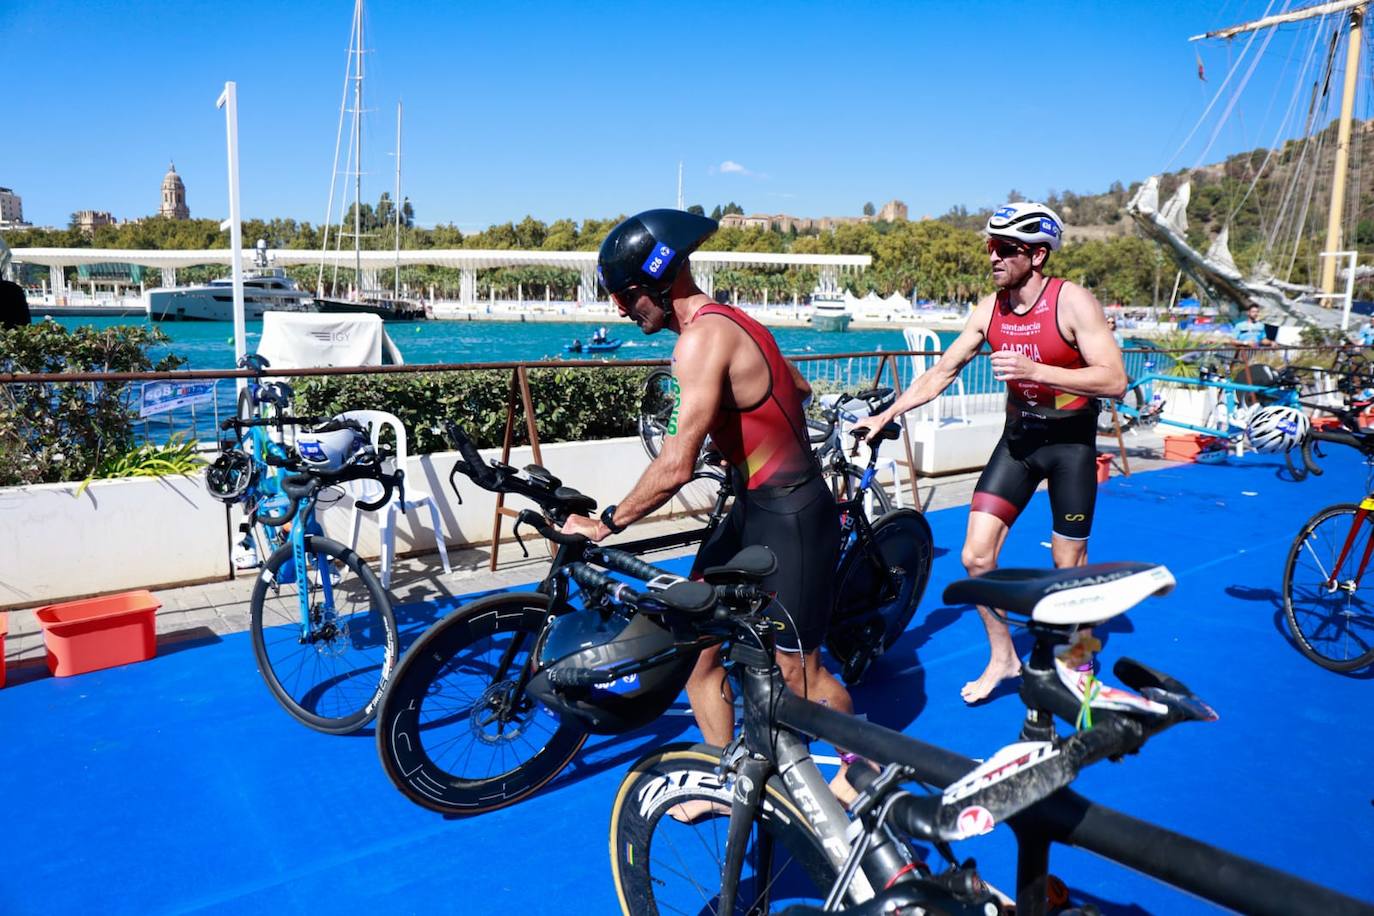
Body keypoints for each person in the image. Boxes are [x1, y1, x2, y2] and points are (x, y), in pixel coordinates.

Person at [560, 209, 853, 772]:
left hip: (792, 515)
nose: (619, 309)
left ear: (662, 281)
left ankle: (861, 769)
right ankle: (724, 777)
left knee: (803, 678)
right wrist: (741, 426)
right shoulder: (736, 322)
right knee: (701, 656)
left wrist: (607, 523)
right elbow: (799, 386)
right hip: (753, 509)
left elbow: (674, 466)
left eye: (627, 294)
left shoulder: (698, 342)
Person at [852, 201, 1127, 704]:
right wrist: (887, 415)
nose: (993, 257)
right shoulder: (989, 308)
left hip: (1069, 446)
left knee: (1069, 565)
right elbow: (942, 372)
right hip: (1020, 443)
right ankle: (1003, 657)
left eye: (1006, 249)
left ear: (1038, 255)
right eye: (990, 247)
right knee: (976, 556)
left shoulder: (1073, 303)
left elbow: (1114, 379)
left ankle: (1077, 660)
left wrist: (1039, 372)